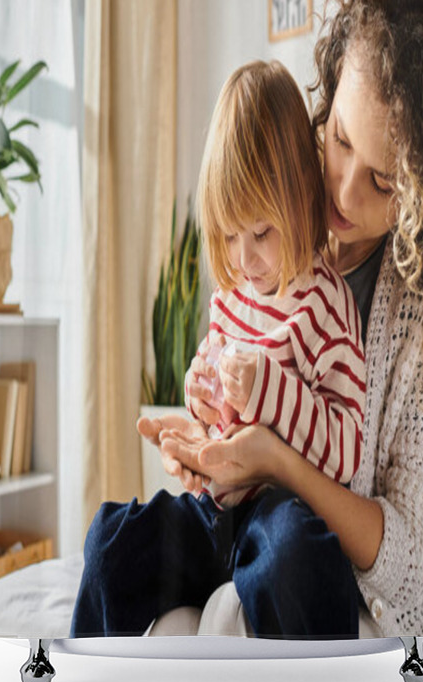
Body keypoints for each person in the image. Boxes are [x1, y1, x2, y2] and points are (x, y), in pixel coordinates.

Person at [153, 0, 423, 639]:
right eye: (341, 140)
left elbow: (405, 563)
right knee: (145, 585)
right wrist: (205, 439)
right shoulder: (273, 224)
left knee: (235, 618)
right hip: (244, 535)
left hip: (362, 590)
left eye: (383, 181)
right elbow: (233, 360)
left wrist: (273, 458)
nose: (344, 194)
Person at [70, 60, 365, 639]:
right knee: (109, 540)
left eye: (261, 233)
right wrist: (200, 396)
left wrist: (270, 391)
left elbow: (346, 451)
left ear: (301, 201)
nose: (244, 258)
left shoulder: (326, 307)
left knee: (293, 561)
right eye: (229, 235)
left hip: (279, 514)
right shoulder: (229, 298)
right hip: (212, 513)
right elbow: (213, 403)